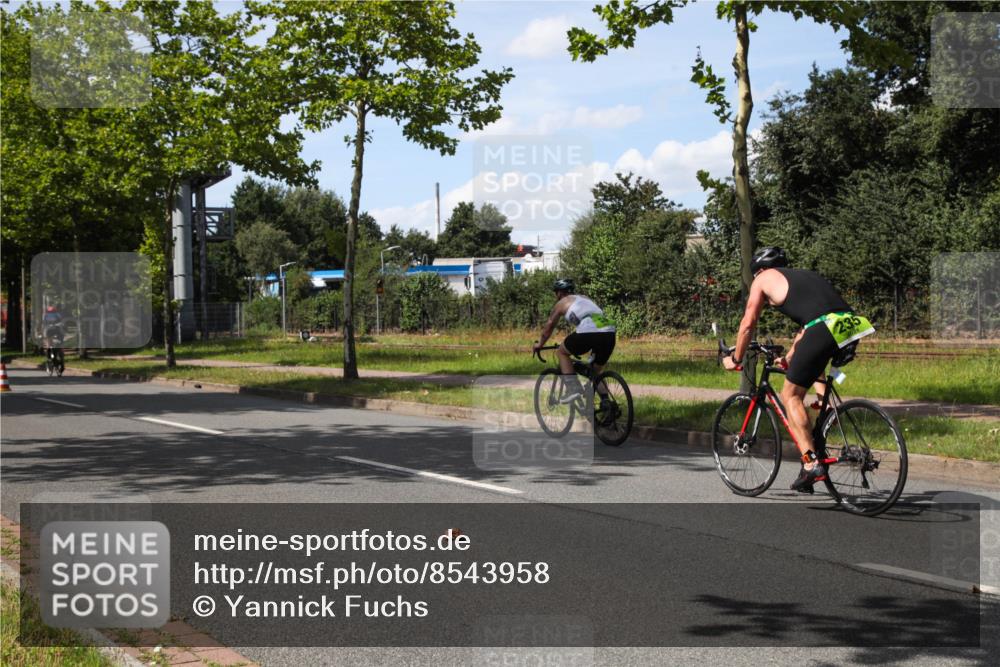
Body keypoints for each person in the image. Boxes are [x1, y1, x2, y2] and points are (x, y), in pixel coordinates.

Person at [722, 247, 874, 492]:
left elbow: (748, 322)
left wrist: (737, 359)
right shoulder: (803, 276)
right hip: (851, 324)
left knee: (790, 396)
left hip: (823, 327)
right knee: (813, 369)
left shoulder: (763, 279)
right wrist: (791, 357)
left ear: (759, 270)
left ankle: (810, 463)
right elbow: (809, 323)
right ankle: (826, 417)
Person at [532, 278, 616, 406]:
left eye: (556, 293)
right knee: (595, 372)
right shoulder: (585, 298)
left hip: (589, 331)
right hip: (609, 332)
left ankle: (572, 388)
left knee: (561, 352)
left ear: (559, 293)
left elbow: (548, 328)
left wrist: (540, 344)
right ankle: (607, 404)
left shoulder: (561, 303)